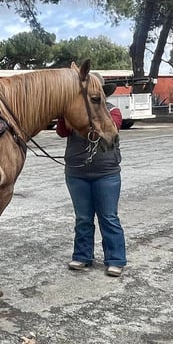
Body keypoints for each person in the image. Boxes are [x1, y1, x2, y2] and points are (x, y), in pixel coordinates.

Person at [56, 75, 126, 277]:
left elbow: (109, 130)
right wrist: (67, 114)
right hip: (77, 173)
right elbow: (61, 131)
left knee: (109, 217)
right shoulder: (74, 112)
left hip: (106, 173)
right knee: (83, 218)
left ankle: (115, 259)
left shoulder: (112, 111)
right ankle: (82, 256)